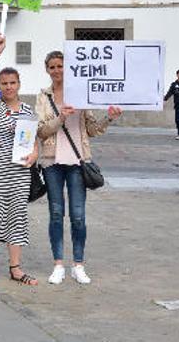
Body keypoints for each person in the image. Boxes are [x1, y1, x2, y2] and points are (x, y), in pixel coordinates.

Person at [36, 51, 121, 286]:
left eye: (60, 66)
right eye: (52, 67)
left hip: (77, 161)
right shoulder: (44, 96)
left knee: (78, 216)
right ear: (47, 70)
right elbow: (41, 131)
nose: (57, 70)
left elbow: (92, 129)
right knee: (55, 214)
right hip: (52, 161)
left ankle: (79, 265)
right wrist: (60, 118)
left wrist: (109, 118)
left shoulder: (83, 93)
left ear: (68, 67)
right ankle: (58, 265)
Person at [0, 34, 38, 289]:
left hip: (19, 172)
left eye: (12, 82)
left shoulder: (28, 111)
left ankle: (15, 268)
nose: (8, 87)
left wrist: (35, 153)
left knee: (17, 217)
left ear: (19, 84)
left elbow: (34, 141)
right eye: (4, 83)